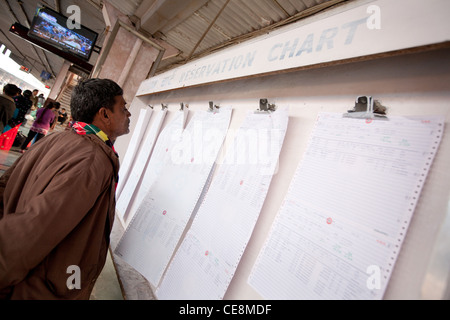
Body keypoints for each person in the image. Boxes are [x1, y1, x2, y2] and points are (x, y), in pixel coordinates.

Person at [0, 78, 131, 300]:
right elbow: (33, 229)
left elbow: (4, 188)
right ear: (105, 114)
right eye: (123, 108)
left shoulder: (55, 139)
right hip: (36, 291)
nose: (129, 114)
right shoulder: (92, 159)